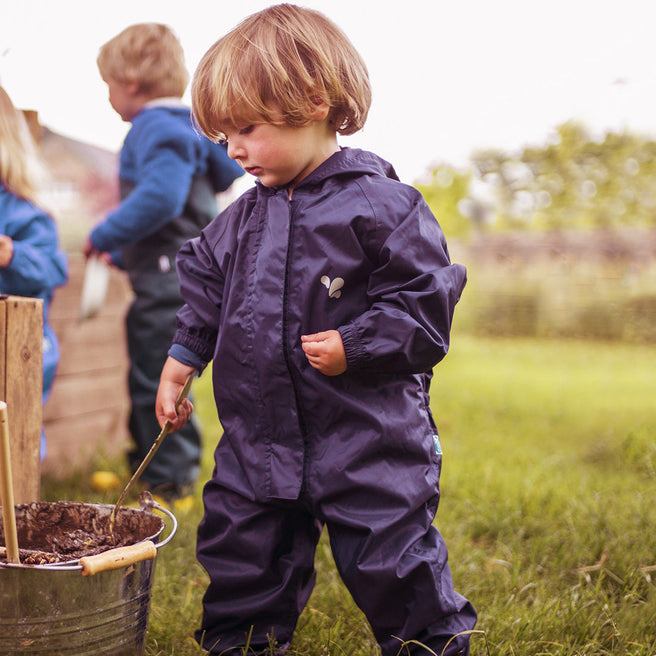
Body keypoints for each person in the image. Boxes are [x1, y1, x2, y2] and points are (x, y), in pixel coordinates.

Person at [156, 4, 477, 654]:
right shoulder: (239, 220)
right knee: (242, 558)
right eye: (223, 138)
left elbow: (425, 307)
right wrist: (182, 358)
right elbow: (205, 288)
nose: (235, 149)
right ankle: (241, 644)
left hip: (366, 442)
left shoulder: (382, 208)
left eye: (245, 127)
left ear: (313, 101)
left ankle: (428, 645)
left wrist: (356, 344)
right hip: (258, 444)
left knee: (395, 563)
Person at [84, 23, 244, 505]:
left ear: (131, 83)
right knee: (169, 369)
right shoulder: (192, 126)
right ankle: (163, 470)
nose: (109, 97)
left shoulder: (153, 126)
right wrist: (123, 252)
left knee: (154, 374)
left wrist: (104, 234)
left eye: (108, 86)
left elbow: (163, 197)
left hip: (165, 276)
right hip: (186, 272)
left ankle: (165, 482)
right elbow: (220, 176)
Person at [0, 85, 68, 460]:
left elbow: (53, 268)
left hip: (19, 349)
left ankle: (19, 508)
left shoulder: (24, 213)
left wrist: (12, 255)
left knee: (18, 435)